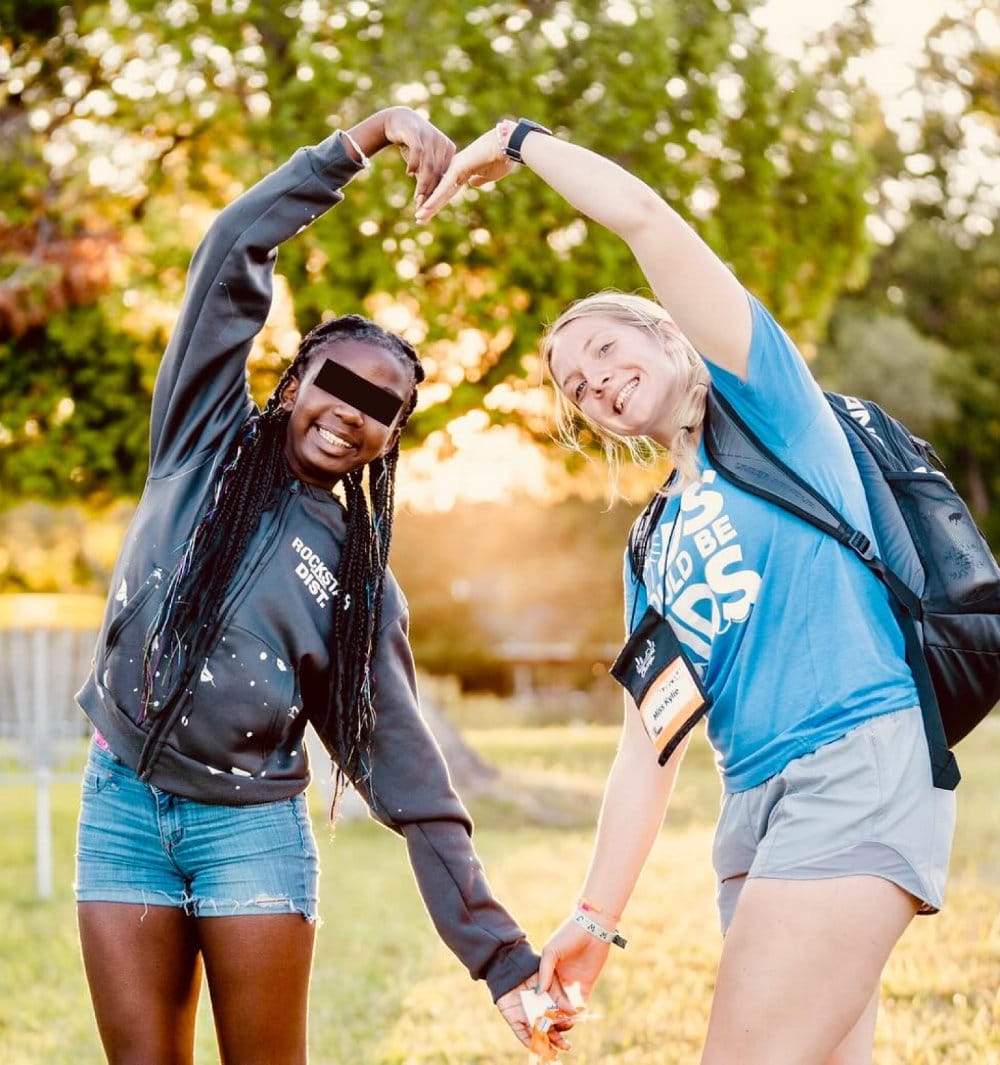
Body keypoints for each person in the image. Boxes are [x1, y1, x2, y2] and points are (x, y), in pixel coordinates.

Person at [416, 120, 957, 1064]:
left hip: (854, 768)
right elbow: (648, 748)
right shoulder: (651, 544)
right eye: (577, 387)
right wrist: (594, 915)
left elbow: (646, 219)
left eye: (605, 351)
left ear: (665, 333)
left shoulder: (767, 405)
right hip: (755, 812)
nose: (598, 383)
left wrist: (516, 141)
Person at [73, 107, 568, 1064]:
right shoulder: (200, 436)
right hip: (122, 801)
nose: (354, 414)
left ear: (390, 441)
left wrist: (502, 957)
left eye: (384, 410)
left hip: (249, 831)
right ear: (297, 375)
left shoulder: (356, 582)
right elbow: (229, 250)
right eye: (341, 382)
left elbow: (413, 781)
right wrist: (363, 141)